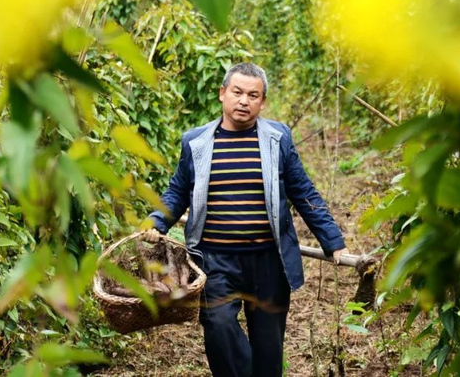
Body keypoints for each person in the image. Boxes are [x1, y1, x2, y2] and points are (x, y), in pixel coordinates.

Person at [142, 62, 349, 377]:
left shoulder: (277, 139)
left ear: (263, 101)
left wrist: (334, 243)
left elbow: (304, 192)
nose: (244, 101)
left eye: (253, 95)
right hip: (214, 261)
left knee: (268, 351)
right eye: (237, 92)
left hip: (269, 263)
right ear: (222, 94)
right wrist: (157, 221)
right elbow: (176, 192)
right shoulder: (196, 143)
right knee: (219, 329)